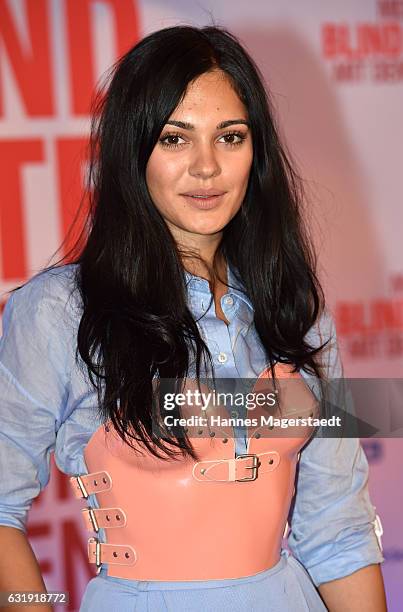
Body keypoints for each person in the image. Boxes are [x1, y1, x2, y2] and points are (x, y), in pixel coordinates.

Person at [0, 25, 387, 612]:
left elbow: (340, 526)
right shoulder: (56, 313)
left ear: (255, 151)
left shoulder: (298, 311)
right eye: (176, 139)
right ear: (133, 152)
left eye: (230, 137)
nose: (206, 167)